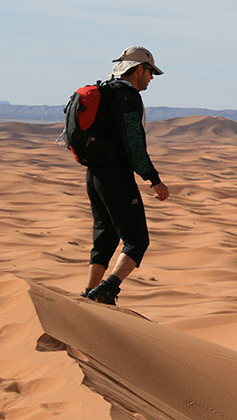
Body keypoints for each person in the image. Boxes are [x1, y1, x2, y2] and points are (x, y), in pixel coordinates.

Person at [82, 46, 169, 305]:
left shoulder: (106, 92)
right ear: (139, 69)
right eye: (150, 72)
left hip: (94, 175)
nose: (151, 78)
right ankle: (108, 289)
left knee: (105, 236)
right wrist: (154, 180)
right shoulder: (127, 97)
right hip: (115, 176)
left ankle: (88, 293)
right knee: (137, 240)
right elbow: (134, 143)